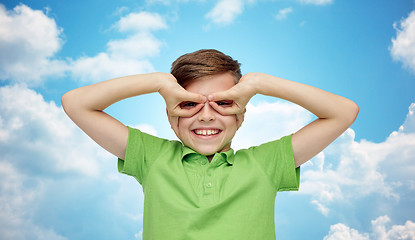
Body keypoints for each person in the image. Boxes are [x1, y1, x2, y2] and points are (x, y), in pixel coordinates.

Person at [61, 49, 359, 239]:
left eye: (223, 103)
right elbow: (75, 103)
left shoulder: (266, 163)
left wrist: (259, 83)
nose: (206, 116)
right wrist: (158, 82)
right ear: (170, 113)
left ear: (241, 114)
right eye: (189, 104)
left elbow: (344, 112)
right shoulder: (152, 158)